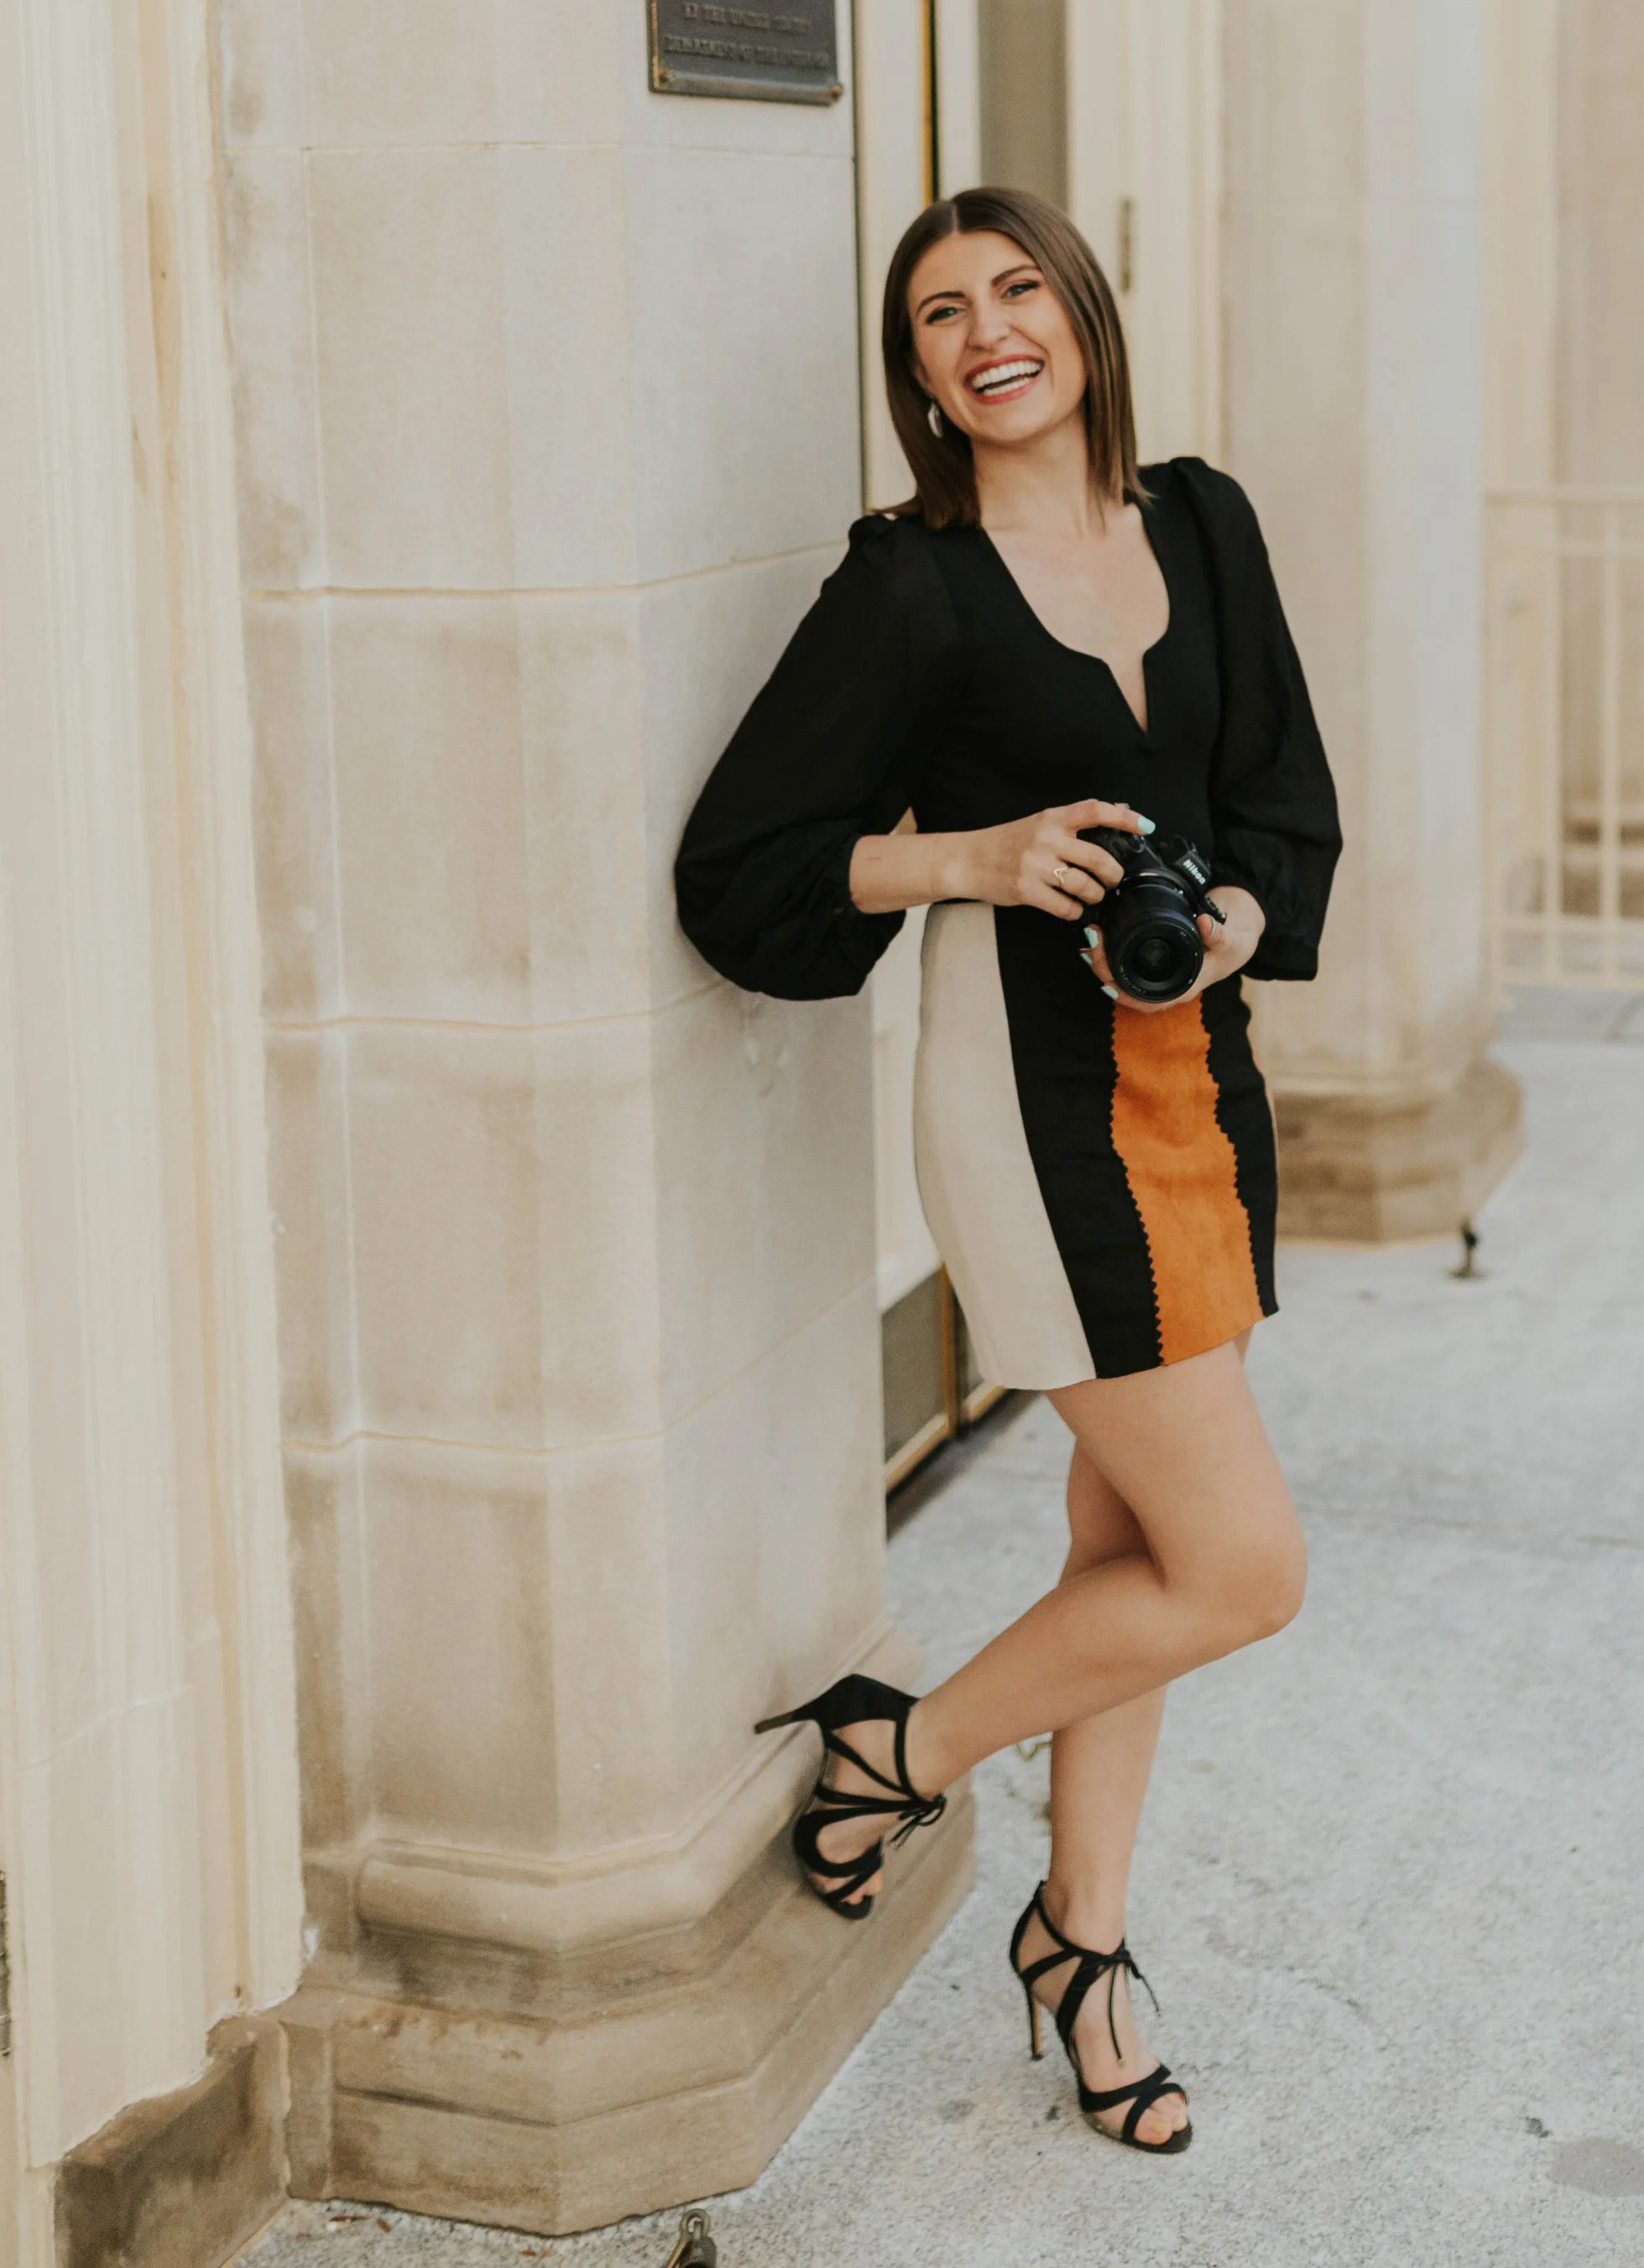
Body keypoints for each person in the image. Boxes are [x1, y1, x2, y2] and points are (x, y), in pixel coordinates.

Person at [676, 186, 1340, 2156]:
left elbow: (1284, 799)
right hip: (1026, 1111)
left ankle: (1082, 1937)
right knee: (1241, 1569)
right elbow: (742, 862)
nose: (983, 330)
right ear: (920, 374)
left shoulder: (1202, 521)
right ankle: (908, 1748)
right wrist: (962, 857)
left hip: (1191, 1087)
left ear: (1081, 314)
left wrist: (1222, 909)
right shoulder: (911, 583)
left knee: (1125, 1552)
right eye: (938, 313)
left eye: (1013, 289)